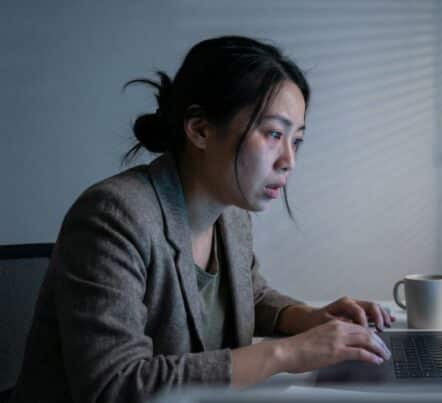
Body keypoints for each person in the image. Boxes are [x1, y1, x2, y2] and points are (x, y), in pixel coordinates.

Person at [13, 36, 394, 403]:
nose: (289, 161)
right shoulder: (112, 217)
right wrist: (288, 354)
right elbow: (115, 386)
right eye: (274, 134)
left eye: (296, 141)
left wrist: (310, 318)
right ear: (199, 129)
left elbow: (250, 295)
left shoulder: (232, 214)